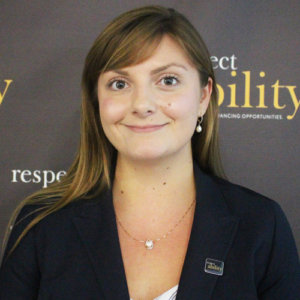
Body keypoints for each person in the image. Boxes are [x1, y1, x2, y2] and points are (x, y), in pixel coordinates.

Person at [0, 5, 299, 300]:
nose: (142, 104)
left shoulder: (261, 226)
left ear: (204, 97)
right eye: (119, 83)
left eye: (168, 80)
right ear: (96, 101)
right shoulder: (41, 225)